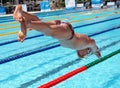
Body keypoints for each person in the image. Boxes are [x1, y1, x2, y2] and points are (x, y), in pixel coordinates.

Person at [13, 5, 101, 58]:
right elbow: (94, 46)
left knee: (41, 24)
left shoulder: (77, 46)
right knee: (49, 31)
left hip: (63, 29)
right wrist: (98, 55)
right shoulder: (87, 43)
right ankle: (27, 23)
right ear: (88, 50)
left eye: (81, 55)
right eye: (85, 53)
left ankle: (21, 11)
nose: (83, 53)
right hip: (68, 33)